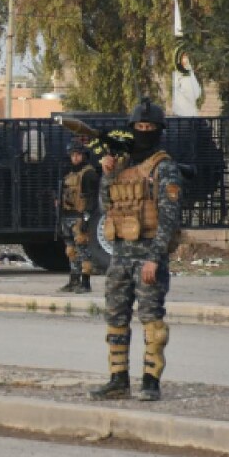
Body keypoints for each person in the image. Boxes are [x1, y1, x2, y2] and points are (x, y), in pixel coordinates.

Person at [90, 97, 182, 402]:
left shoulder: (164, 168)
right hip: (120, 256)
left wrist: (154, 259)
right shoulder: (123, 165)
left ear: (158, 130)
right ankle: (117, 379)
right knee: (115, 317)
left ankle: (150, 382)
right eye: (140, 127)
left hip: (147, 257)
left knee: (151, 319)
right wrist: (107, 172)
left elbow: (168, 220)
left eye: (150, 127)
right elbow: (106, 205)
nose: (144, 131)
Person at [57, 139, 99, 294]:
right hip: (67, 215)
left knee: (83, 250)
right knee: (70, 250)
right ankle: (73, 281)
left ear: (83, 155)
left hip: (80, 217)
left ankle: (85, 282)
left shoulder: (88, 173)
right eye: (73, 155)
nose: (75, 158)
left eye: (78, 155)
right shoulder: (69, 173)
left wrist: (87, 217)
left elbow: (93, 198)